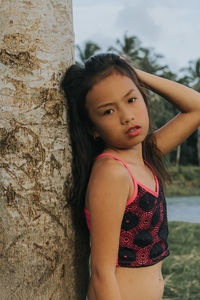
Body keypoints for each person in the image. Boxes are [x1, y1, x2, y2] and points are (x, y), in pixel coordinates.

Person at [61, 53, 200, 300]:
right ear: (92, 128)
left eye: (132, 99)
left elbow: (196, 107)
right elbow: (102, 273)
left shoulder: (144, 156)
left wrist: (134, 74)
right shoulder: (112, 172)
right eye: (108, 112)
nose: (127, 116)